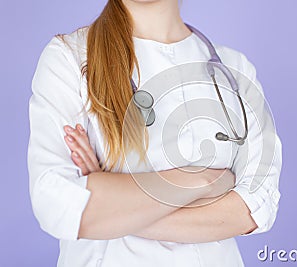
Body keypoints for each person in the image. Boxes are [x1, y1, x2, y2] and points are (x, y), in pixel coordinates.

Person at [27, 0, 283, 266]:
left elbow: (256, 208)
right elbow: (56, 203)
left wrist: (111, 208)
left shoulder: (236, 69)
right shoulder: (69, 58)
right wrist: (201, 181)